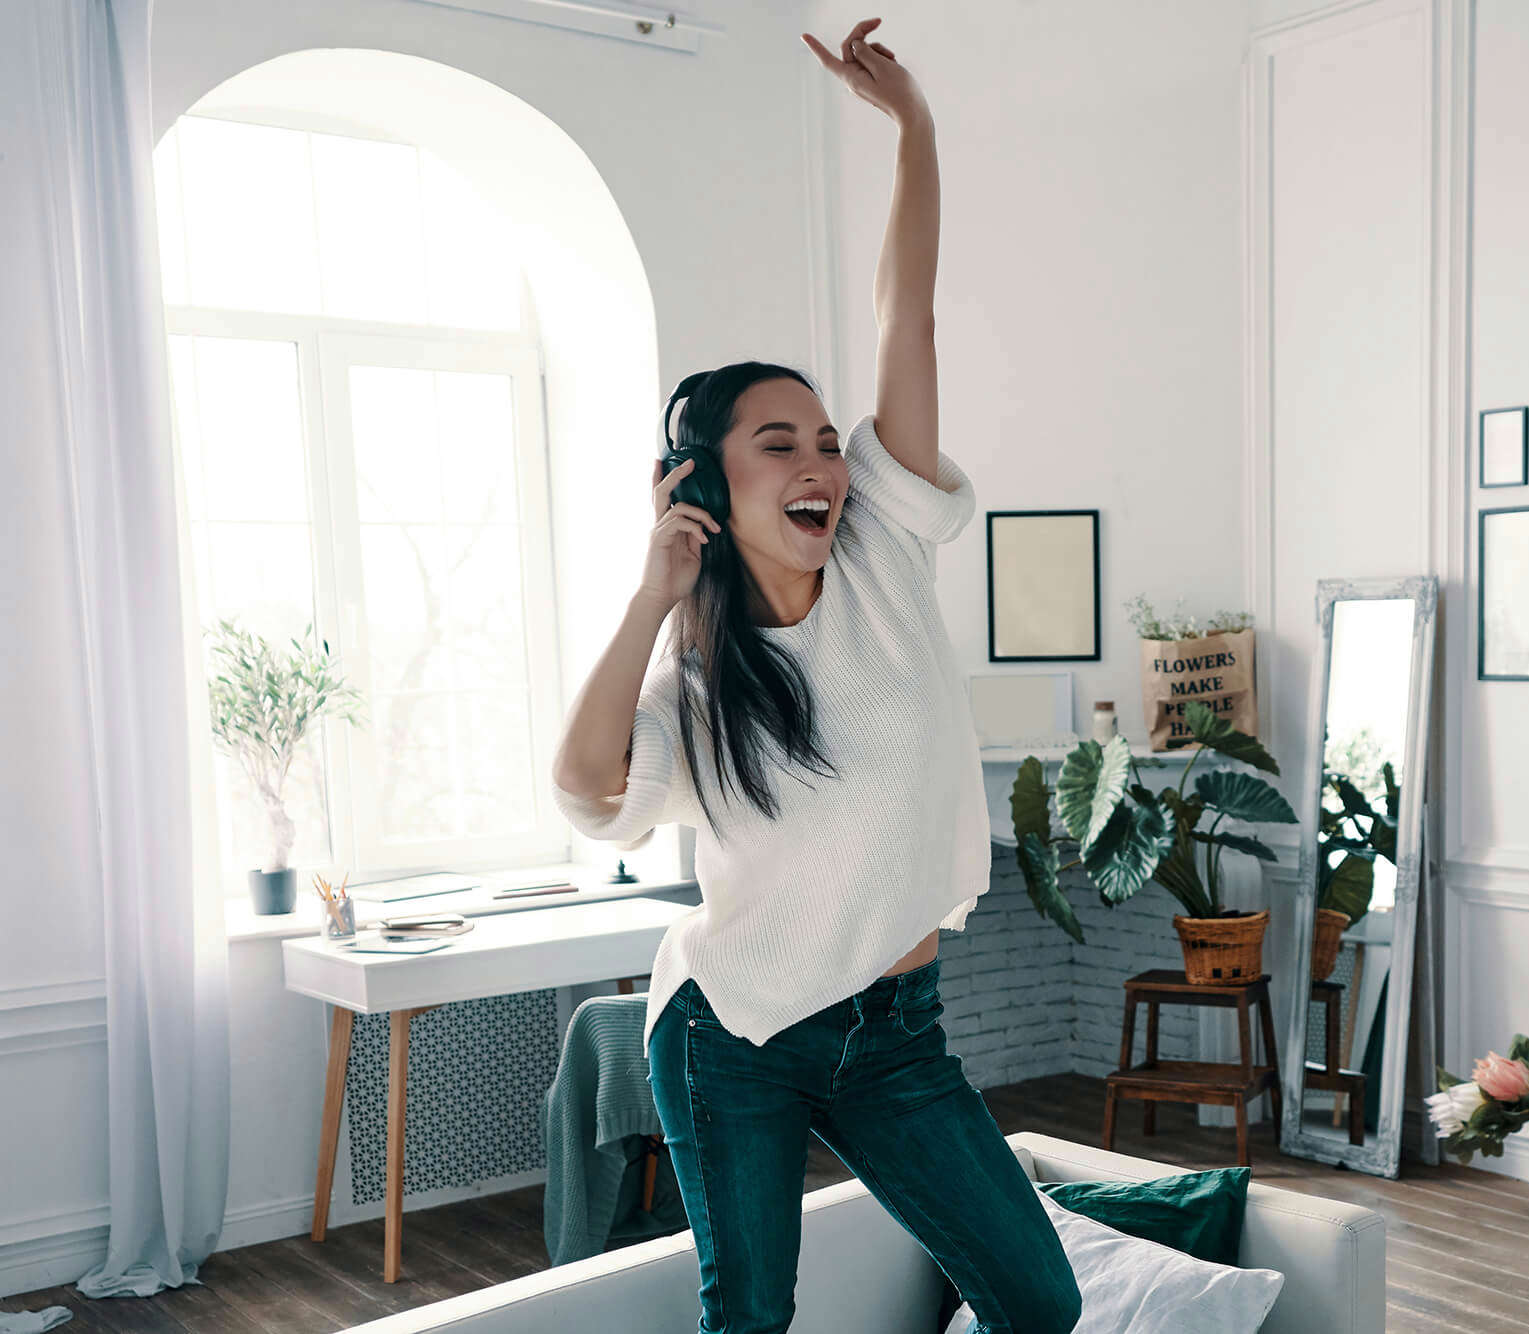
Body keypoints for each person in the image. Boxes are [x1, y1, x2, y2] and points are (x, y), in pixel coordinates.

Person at [548, 18, 1082, 1334]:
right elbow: (582, 785)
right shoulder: (696, 692)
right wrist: (647, 596)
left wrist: (914, 131)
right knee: (752, 1320)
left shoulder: (888, 553)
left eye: (828, 439)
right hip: (731, 1031)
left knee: (1038, 1298)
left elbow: (912, 312)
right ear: (706, 491)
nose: (821, 464)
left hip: (896, 1032)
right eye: (777, 443)